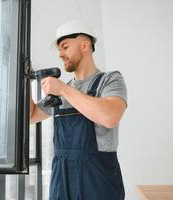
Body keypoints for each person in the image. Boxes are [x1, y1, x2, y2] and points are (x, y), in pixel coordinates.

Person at [30, 20, 127, 200]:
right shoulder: (60, 92)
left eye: (65, 47)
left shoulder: (110, 80)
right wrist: (24, 81)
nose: (60, 54)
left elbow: (110, 117)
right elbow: (31, 116)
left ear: (85, 45)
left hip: (98, 178)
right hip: (61, 176)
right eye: (59, 50)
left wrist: (64, 90)